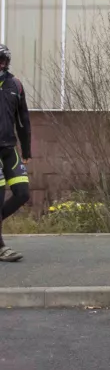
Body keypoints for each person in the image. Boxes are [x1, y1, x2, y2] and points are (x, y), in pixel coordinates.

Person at [0, 44, 31, 262]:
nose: (0, 64)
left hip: (9, 149)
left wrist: (26, 149)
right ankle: (1, 248)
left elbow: (23, 120)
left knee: (22, 193)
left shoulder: (16, 86)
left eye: (3, 60)